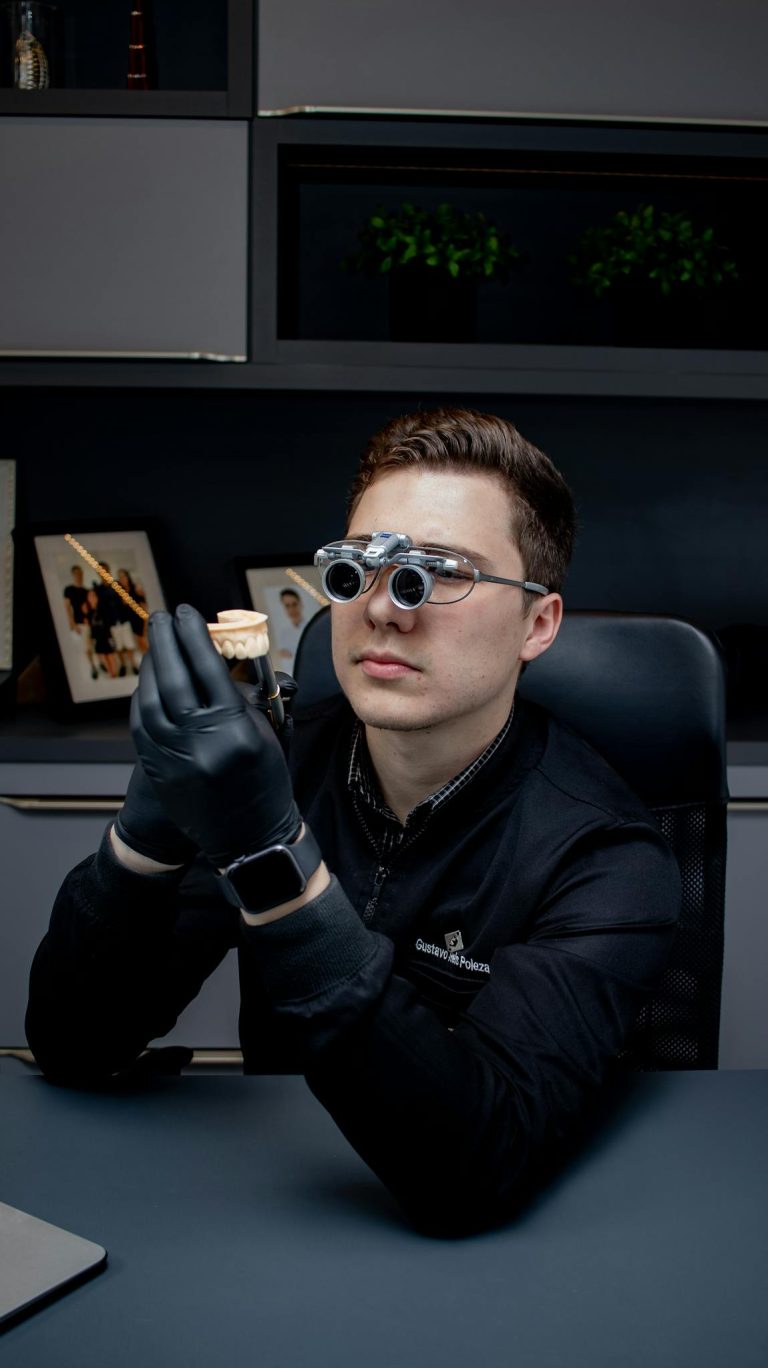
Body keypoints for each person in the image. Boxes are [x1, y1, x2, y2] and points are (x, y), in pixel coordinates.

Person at [26, 408, 680, 1233]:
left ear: (537, 624)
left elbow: (473, 1168)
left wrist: (274, 861)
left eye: (440, 572)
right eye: (361, 567)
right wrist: (146, 841)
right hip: (266, 1207)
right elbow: (76, 1045)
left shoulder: (607, 858)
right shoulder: (281, 768)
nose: (386, 608)